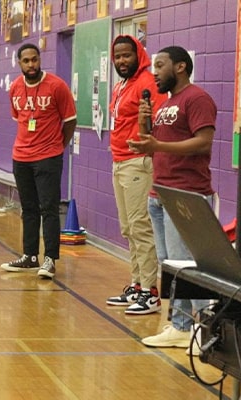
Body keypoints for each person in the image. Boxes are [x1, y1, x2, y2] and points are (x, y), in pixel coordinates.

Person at [127, 46, 217, 350]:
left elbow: (203, 143)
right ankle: (180, 326)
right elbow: (154, 144)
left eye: (160, 65)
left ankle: (205, 331)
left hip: (187, 194)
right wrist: (143, 127)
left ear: (180, 67)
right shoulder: (165, 103)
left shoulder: (197, 98)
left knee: (190, 266)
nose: (155, 72)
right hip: (160, 192)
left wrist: (160, 147)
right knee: (171, 267)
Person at [0, 43, 77, 278]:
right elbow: (20, 119)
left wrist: (56, 148)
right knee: (28, 208)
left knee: (49, 209)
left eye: (35, 60)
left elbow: (70, 120)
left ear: (40, 60)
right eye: (26, 61)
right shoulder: (14, 88)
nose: (31, 64)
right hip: (21, 157)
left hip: (48, 157)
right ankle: (30, 256)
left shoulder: (56, 86)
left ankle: (50, 259)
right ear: (20, 63)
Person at [106, 35, 168, 314]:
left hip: (138, 162)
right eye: (117, 56)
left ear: (138, 55)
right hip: (119, 161)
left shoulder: (147, 83)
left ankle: (150, 291)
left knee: (140, 227)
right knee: (128, 228)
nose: (121, 61)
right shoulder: (121, 85)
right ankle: (137, 284)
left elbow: (159, 121)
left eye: (126, 55)